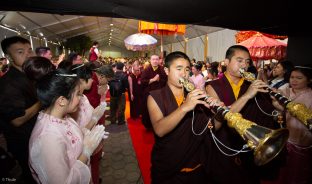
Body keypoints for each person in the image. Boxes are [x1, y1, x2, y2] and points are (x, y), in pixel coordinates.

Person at [205, 45, 282, 183]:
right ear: (226, 62)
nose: (244, 65)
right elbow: (221, 117)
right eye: (239, 60)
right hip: (225, 146)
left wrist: (277, 106)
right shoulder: (213, 86)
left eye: (247, 62)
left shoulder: (251, 84)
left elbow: (266, 115)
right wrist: (247, 96)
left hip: (250, 146)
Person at [147, 51, 221, 183]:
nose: (184, 74)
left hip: (199, 169)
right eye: (179, 68)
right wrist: (185, 107)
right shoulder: (155, 96)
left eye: (187, 69)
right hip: (171, 171)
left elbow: (211, 127)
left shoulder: (196, 96)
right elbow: (159, 129)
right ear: (166, 70)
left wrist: (219, 115)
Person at [28, 68, 105, 183]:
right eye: (78, 94)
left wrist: (90, 136)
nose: (81, 98)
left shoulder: (63, 117)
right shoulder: (48, 139)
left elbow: (72, 139)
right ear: (62, 100)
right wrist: (86, 152)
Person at [0, 36, 39, 183]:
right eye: (21, 52)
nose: (28, 55)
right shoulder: (8, 84)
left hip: (36, 136)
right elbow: (17, 120)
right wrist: (42, 100)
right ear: (8, 57)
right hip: (24, 142)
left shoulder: (30, 74)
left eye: (30, 50)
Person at [271, 66, 312, 184]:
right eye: (292, 77)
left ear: (309, 80)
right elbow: (283, 110)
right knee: (284, 171)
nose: (294, 80)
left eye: (299, 78)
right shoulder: (286, 90)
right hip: (287, 138)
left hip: (303, 141)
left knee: (298, 173)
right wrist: (274, 101)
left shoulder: (310, 96)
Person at [141, 55, 167, 129]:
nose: (155, 61)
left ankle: (159, 124)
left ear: (159, 61)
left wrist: (159, 80)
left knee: (159, 110)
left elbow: (166, 81)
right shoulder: (146, 70)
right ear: (150, 60)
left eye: (156, 59)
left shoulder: (162, 70)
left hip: (159, 94)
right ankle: (148, 125)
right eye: (153, 59)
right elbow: (142, 82)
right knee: (148, 110)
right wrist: (152, 80)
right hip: (149, 94)